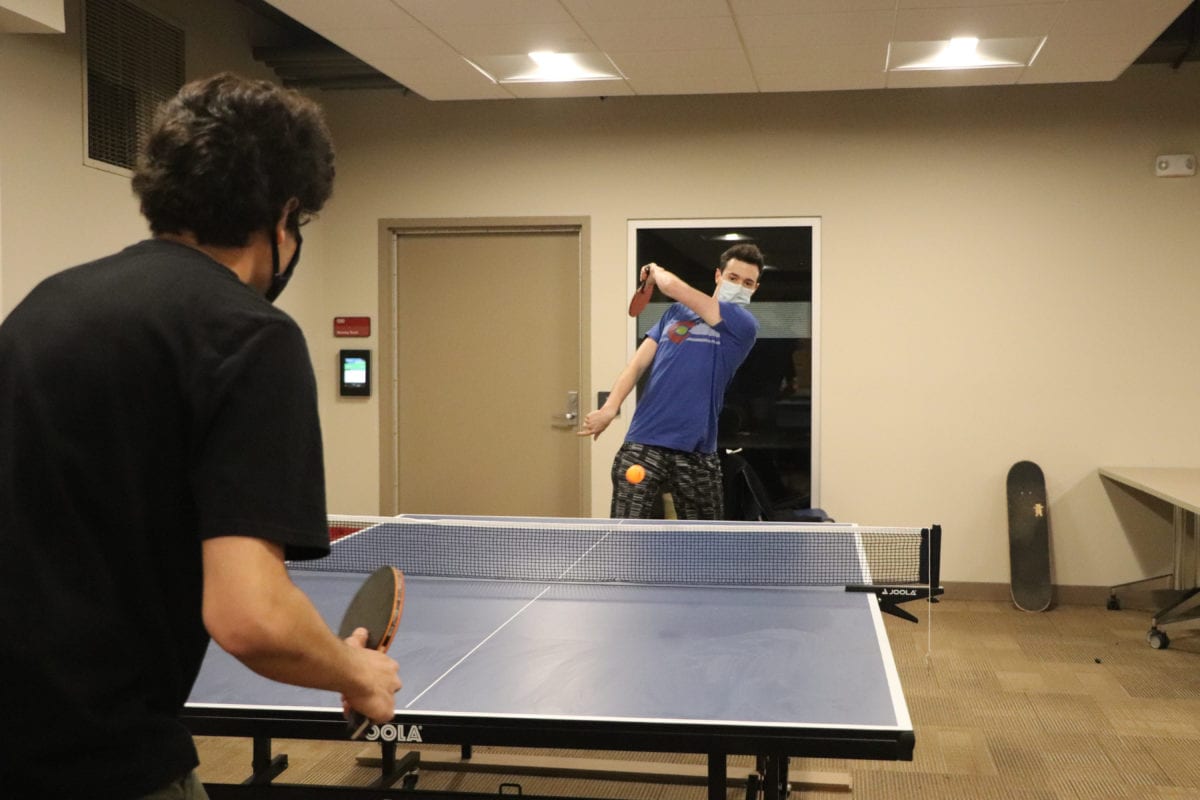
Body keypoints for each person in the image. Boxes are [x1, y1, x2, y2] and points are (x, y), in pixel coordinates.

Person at [0, 73, 401, 798]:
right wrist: (355, 671)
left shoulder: (42, 307)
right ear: (283, 216)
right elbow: (249, 615)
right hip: (103, 759)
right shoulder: (252, 337)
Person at [579, 245, 763, 519]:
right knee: (625, 536)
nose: (739, 286)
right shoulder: (675, 313)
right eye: (733, 278)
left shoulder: (742, 323)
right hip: (643, 442)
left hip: (697, 451)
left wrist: (655, 270)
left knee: (704, 542)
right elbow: (637, 364)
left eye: (747, 283)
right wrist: (609, 408)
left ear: (755, 288)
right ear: (718, 276)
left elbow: (674, 288)